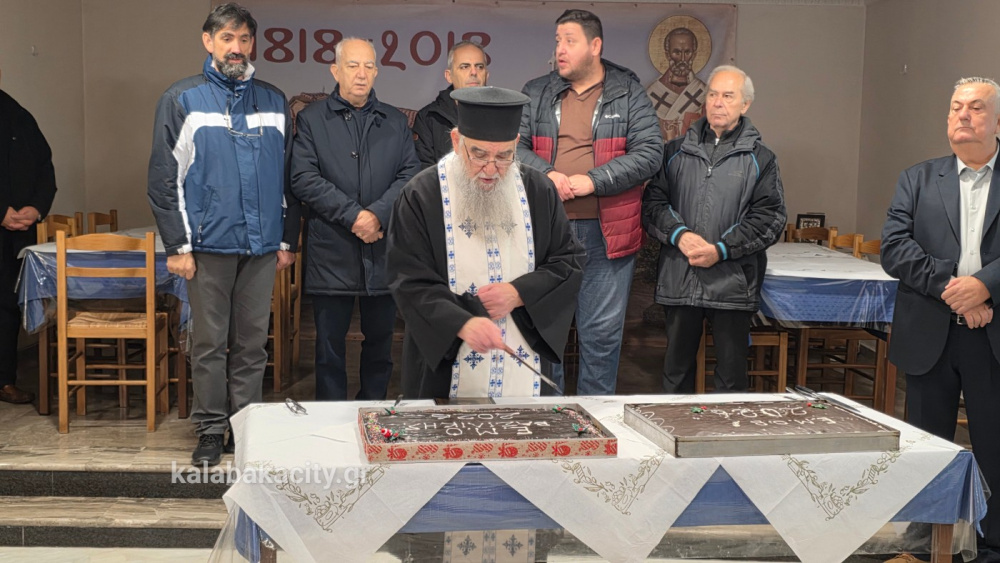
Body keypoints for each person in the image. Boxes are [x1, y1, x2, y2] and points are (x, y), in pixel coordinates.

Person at [148, 3, 299, 466]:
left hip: (261, 247)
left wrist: (286, 240)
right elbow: (163, 179)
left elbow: (289, 178)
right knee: (210, 344)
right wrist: (177, 246)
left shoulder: (274, 100)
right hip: (207, 247)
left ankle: (246, 426)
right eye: (228, 38)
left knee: (253, 344)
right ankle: (212, 429)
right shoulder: (182, 99)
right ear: (208, 41)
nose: (237, 47)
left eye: (245, 39)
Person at [387, 86, 584, 399]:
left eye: (504, 156)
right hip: (445, 362)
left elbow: (568, 261)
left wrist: (520, 293)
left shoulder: (538, 191)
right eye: (478, 155)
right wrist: (460, 322)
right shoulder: (421, 195)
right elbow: (408, 278)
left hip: (522, 354)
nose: (491, 169)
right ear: (456, 141)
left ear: (516, 144)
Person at [881, 76, 1000, 560]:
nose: (962, 115)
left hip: (993, 335)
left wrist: (985, 285)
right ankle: (925, 545)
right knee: (927, 447)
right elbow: (894, 248)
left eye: (976, 107)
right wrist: (956, 289)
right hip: (930, 331)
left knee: (994, 447)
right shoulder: (918, 178)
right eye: (955, 107)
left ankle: (993, 547)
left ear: (997, 121)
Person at [518, 9, 662, 395]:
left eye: (570, 41)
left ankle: (595, 422)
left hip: (606, 235)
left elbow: (650, 153)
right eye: (557, 41)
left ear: (595, 46)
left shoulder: (628, 93)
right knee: (545, 333)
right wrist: (547, 174)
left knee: (600, 337)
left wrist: (593, 181)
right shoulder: (536, 91)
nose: (560, 50)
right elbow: (513, 147)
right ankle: (550, 421)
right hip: (547, 233)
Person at [642, 65, 786, 394]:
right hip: (681, 276)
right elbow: (652, 205)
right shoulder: (674, 152)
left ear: (745, 104)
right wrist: (680, 235)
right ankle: (675, 428)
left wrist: (721, 250)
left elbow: (770, 218)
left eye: (728, 96)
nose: (718, 102)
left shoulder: (761, 158)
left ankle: (725, 430)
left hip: (732, 283)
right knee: (675, 374)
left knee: (731, 381)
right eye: (712, 94)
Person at [291, 38, 420, 402]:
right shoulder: (312, 119)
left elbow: (411, 175)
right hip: (332, 250)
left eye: (368, 66)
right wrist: (353, 217)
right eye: (352, 65)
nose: (361, 74)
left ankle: (373, 410)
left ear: (376, 72)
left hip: (383, 250)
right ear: (335, 70)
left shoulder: (394, 121)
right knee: (328, 348)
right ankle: (331, 416)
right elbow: (303, 178)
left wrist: (377, 215)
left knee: (381, 345)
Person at [0, 68, 57, 405]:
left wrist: (36, 208)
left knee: (7, 306)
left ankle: (5, 381)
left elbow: (45, 168)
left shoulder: (18, 114)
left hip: (17, 235)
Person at [412, 41, 489, 169]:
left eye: (480, 67)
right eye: (465, 67)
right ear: (449, 76)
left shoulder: (503, 114)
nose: (474, 72)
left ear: (487, 74)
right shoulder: (429, 118)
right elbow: (424, 172)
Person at [645, 27, 708, 141]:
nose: (682, 59)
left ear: (694, 55)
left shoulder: (703, 93)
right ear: (668, 55)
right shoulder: (652, 93)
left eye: (687, 52)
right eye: (677, 52)